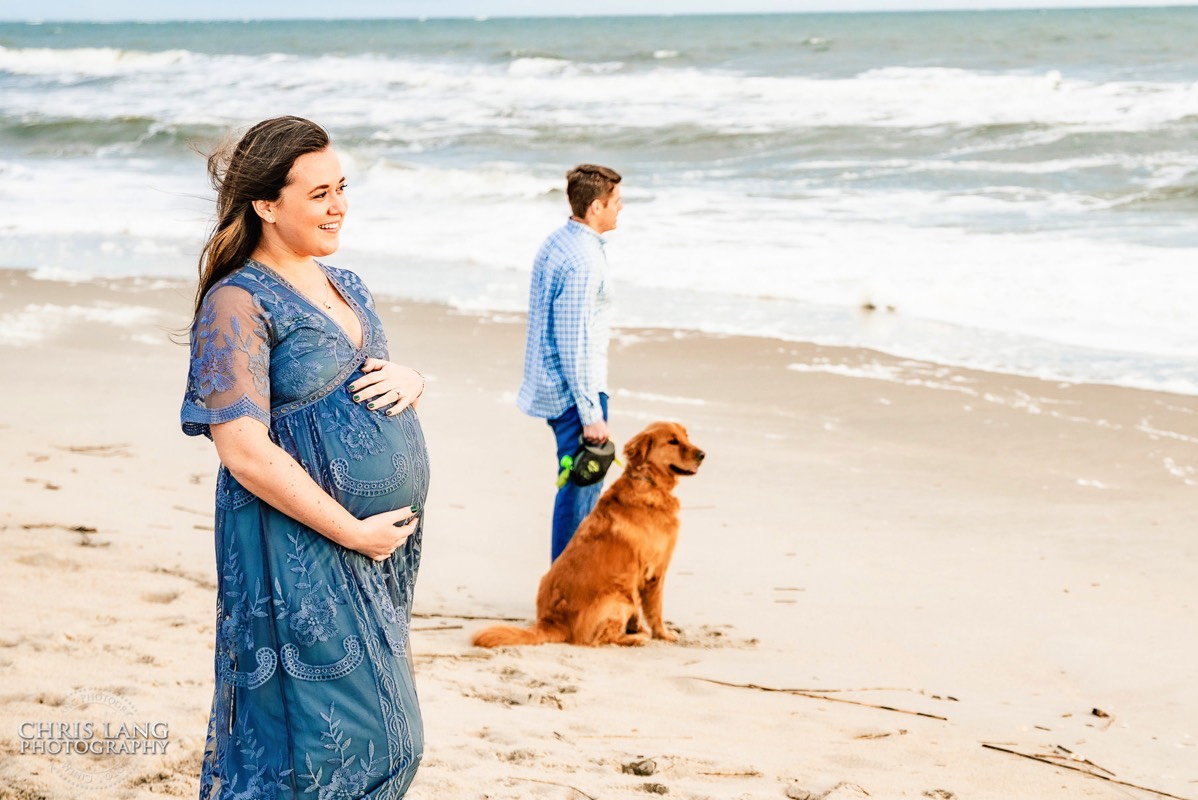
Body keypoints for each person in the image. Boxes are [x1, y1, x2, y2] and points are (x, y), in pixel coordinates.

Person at [180, 116, 429, 799]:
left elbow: (364, 376)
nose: (339, 206)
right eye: (319, 194)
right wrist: (353, 531)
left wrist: (414, 379)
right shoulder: (236, 302)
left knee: (377, 740)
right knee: (355, 743)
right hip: (299, 548)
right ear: (266, 204)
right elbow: (243, 451)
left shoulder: (346, 282)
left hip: (377, 546)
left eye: (342, 188)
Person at [517, 164, 623, 561]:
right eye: (616, 202)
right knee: (579, 488)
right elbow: (574, 343)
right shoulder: (583, 260)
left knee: (576, 485)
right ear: (596, 206)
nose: (620, 209)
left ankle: (566, 578)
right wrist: (591, 413)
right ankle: (565, 584)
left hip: (558, 388)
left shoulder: (559, 242)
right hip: (574, 395)